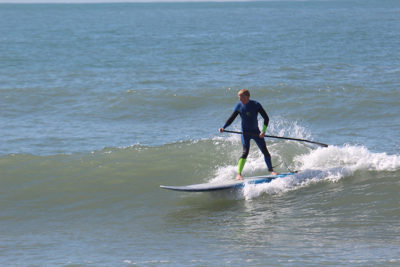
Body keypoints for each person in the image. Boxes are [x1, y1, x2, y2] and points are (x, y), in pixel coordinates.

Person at [219, 89, 277, 180]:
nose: (240, 100)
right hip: (245, 133)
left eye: (241, 97)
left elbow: (266, 118)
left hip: (256, 133)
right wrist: (224, 127)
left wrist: (263, 131)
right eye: (239, 98)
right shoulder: (239, 106)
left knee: (265, 151)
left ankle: (271, 170)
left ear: (247, 96)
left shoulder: (256, 105)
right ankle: (239, 174)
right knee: (245, 152)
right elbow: (231, 118)